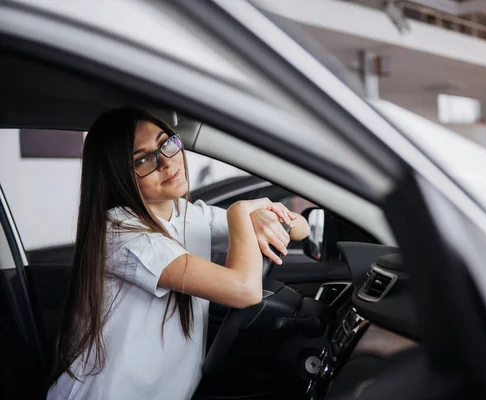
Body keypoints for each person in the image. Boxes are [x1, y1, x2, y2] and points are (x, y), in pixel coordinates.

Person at [47, 107, 310, 400]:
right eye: (143, 159)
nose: (166, 162)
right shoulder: (121, 232)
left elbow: (301, 227)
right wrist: (241, 212)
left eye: (166, 144)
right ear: (118, 177)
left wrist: (261, 217)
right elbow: (244, 291)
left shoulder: (187, 214)